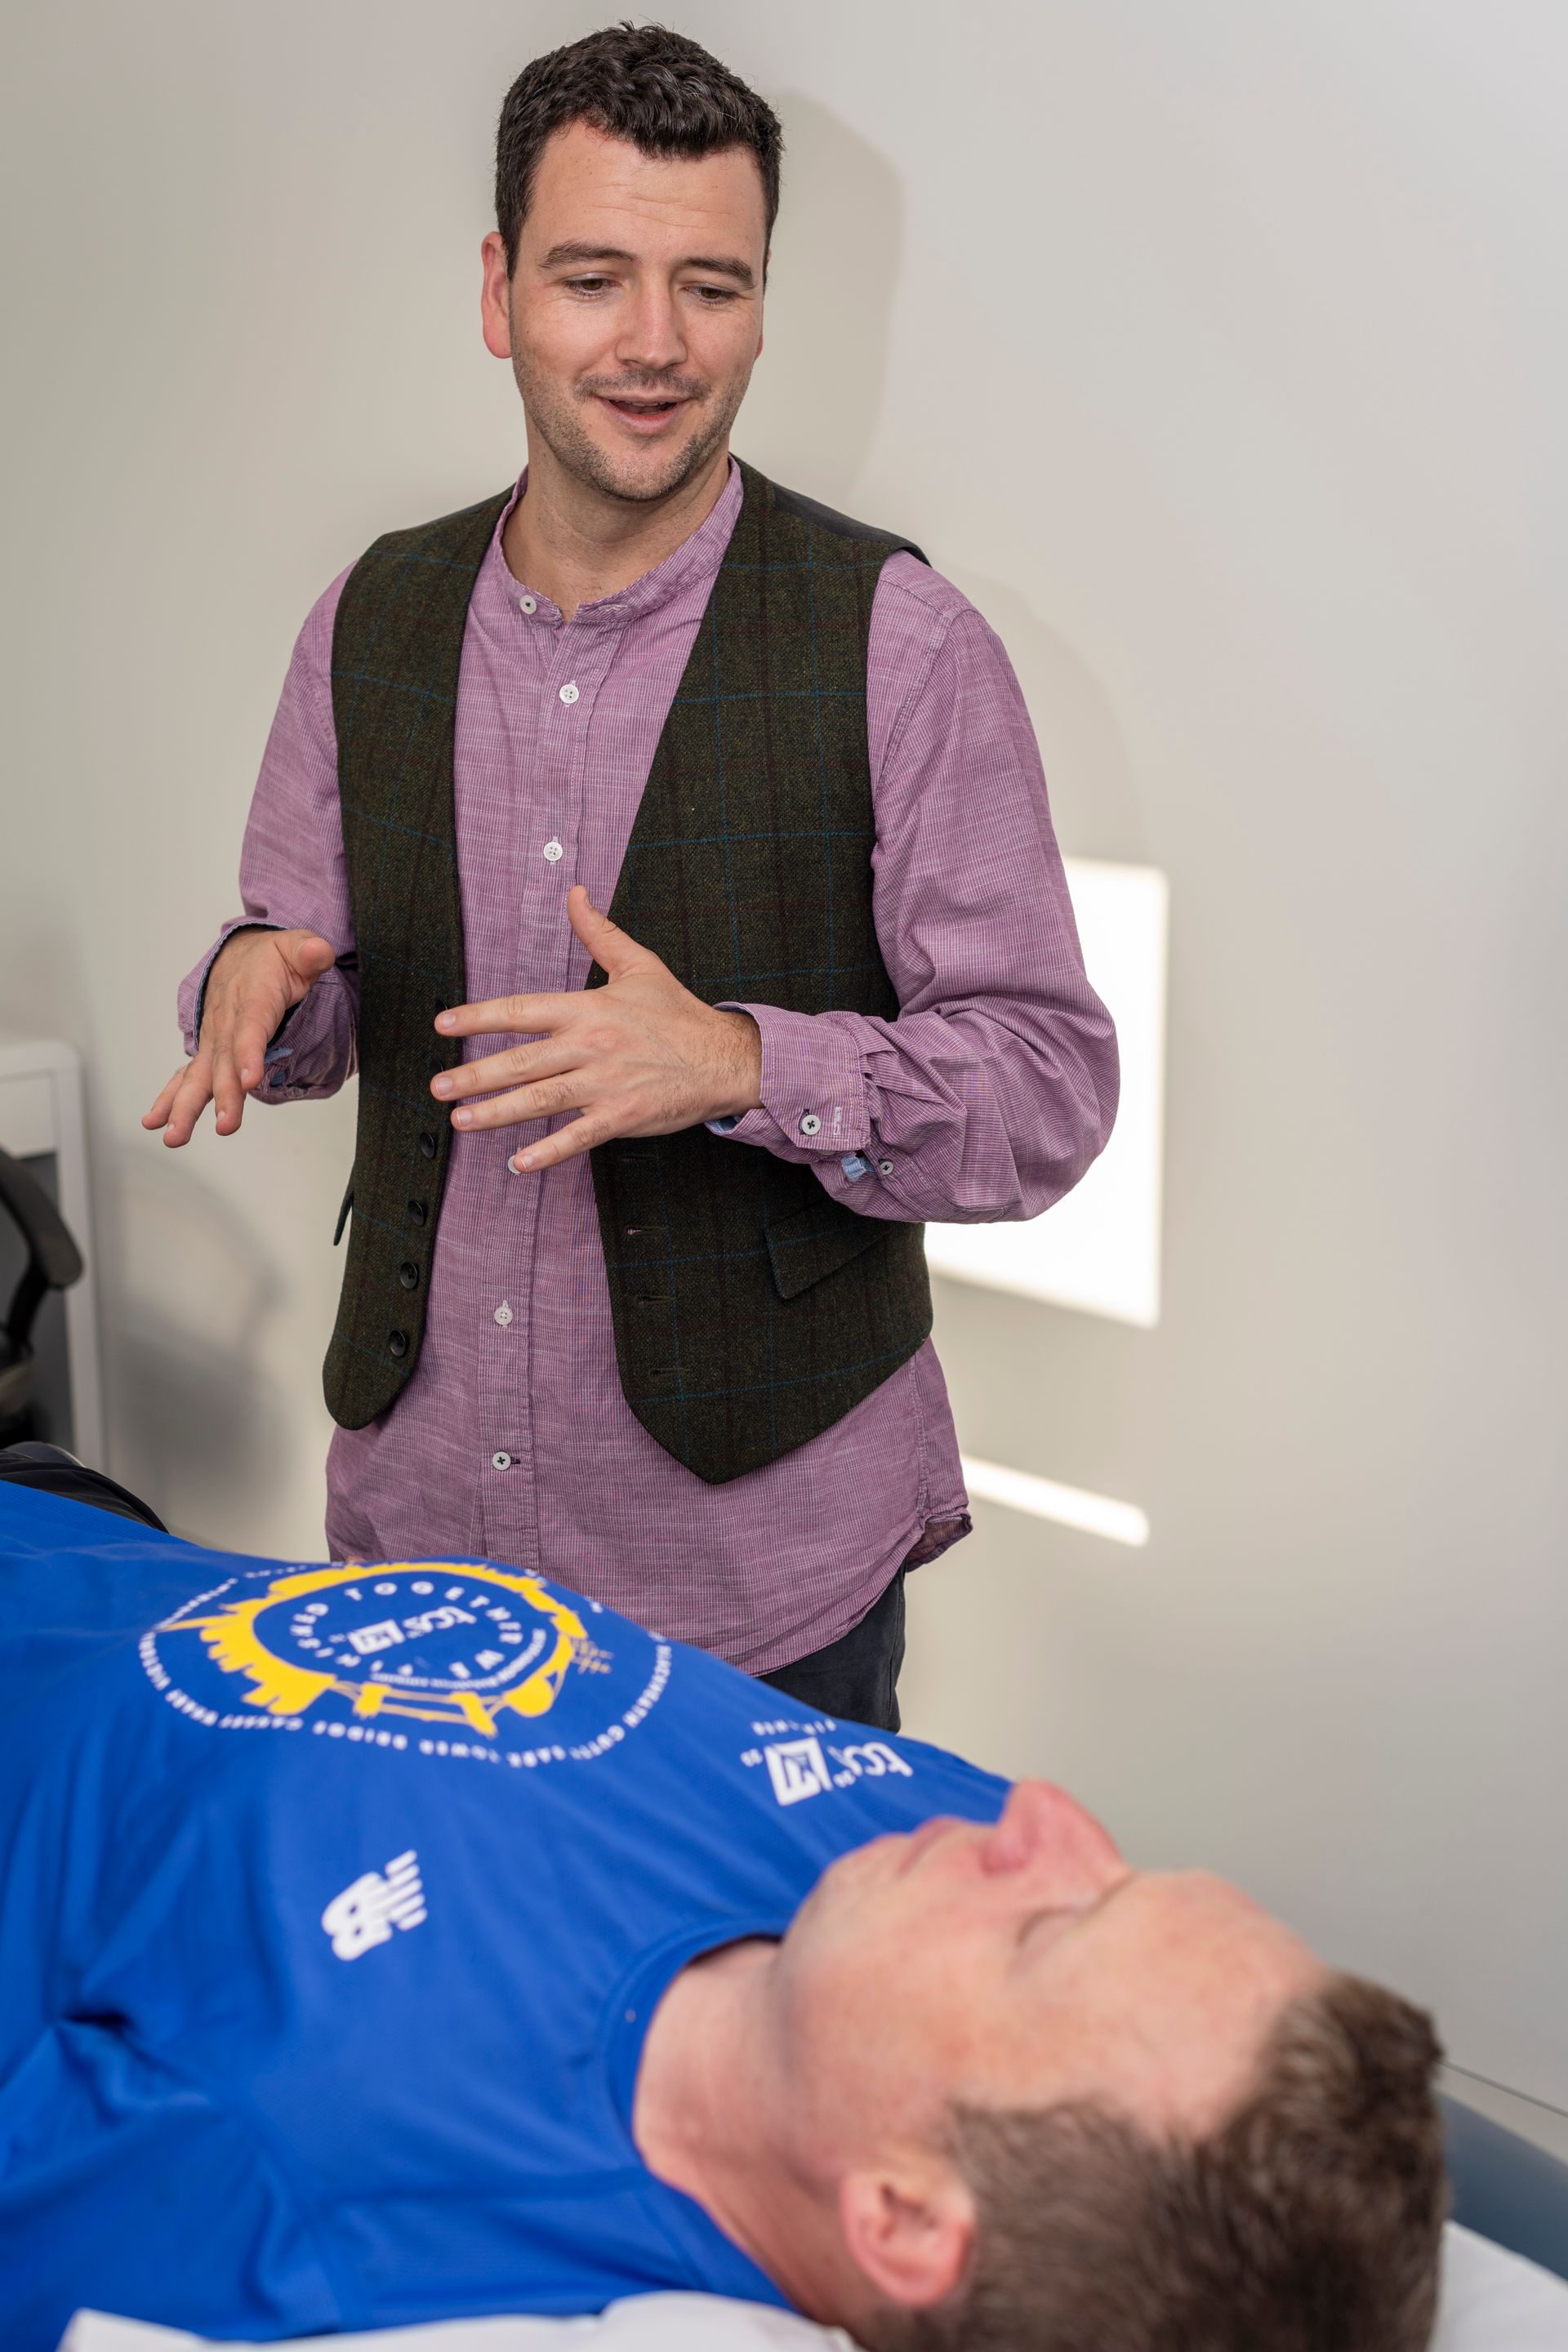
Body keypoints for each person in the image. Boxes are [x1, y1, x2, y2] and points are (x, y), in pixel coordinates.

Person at [140, 24, 1119, 1732]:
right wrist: (261, 983)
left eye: (713, 286)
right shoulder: (365, 618)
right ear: (501, 288)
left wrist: (745, 1065)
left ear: (763, 302)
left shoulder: (905, 643)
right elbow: (314, 972)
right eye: (596, 278)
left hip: (758, 1592)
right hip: (415, 1547)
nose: (656, 346)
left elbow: (1051, 1088)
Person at [0, 1479, 1446, 2352]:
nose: (1043, 1819)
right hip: (87, 1530)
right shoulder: (900, 1862)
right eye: (1119, 1871)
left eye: (1052, 1930)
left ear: (898, 2215)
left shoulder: (323, 2210)